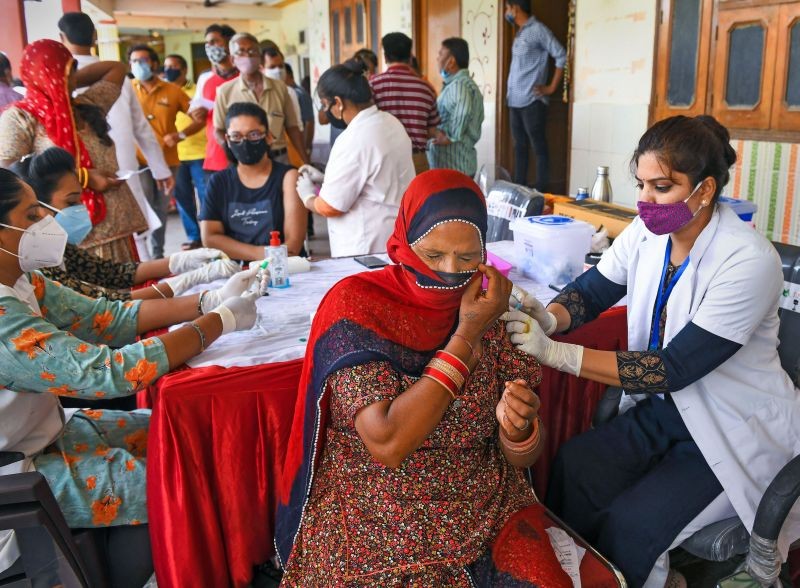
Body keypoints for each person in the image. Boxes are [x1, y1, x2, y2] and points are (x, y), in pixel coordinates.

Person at [503, 115, 800, 587]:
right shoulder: (646, 235)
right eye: (641, 184)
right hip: (664, 413)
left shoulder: (749, 261)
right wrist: (551, 316)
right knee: (574, 467)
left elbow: (674, 367)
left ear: (703, 190)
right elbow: (595, 289)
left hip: (728, 429)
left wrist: (558, 354)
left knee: (631, 524)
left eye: (662, 187)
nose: (644, 201)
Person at [277, 170, 579, 587]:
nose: (450, 271)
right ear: (403, 241)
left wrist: (520, 430)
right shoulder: (359, 308)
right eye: (433, 256)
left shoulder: (494, 305)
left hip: (484, 506)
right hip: (376, 512)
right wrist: (467, 334)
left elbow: (523, 457)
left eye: (467, 257)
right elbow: (388, 442)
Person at [0, 167, 259, 580]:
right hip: (18, 475)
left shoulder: (23, 282)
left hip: (47, 434)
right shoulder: (3, 319)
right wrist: (218, 323)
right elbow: (107, 373)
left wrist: (208, 300)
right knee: (173, 486)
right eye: (31, 216)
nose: (45, 223)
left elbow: (107, 317)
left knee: (175, 436)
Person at [13, 147, 238, 301]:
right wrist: (193, 284)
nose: (80, 208)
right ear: (36, 208)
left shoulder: (54, 249)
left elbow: (112, 273)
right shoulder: (36, 265)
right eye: (72, 202)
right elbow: (100, 304)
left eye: (80, 199)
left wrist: (181, 261)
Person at [0, 39, 147, 264]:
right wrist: (84, 177)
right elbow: (10, 173)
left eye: (71, 72)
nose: (71, 80)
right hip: (72, 231)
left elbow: (116, 68)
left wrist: (64, 80)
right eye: (65, 73)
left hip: (116, 224)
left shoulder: (85, 105)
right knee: (91, 295)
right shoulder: (21, 118)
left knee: (129, 290)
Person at [58, 12, 172, 260]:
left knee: (82, 237)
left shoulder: (56, 82)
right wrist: (160, 169)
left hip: (74, 172)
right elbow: (142, 129)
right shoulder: (118, 77)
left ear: (61, 38)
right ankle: (142, 281)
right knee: (133, 234)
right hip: (121, 165)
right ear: (95, 37)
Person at [296, 61, 414, 258]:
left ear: (338, 102)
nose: (326, 111)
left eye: (325, 105)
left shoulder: (353, 138)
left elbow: (331, 206)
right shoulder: (391, 122)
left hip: (365, 245)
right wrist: (326, 179)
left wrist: (307, 196)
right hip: (395, 234)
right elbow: (369, 178)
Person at [200, 103, 305, 261]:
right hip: (236, 272)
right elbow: (210, 238)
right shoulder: (219, 182)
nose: (244, 142)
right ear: (227, 140)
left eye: (253, 134)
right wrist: (268, 254)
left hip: (283, 271)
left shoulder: (288, 177)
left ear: (269, 137)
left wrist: (261, 257)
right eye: (236, 136)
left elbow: (292, 247)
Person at [129, 45, 205, 259]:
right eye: (134, 61)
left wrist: (180, 135)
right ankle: (143, 258)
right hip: (138, 162)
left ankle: (158, 254)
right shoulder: (127, 89)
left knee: (161, 209)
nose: (138, 65)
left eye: (143, 60)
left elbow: (199, 117)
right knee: (143, 209)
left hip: (168, 161)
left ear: (154, 63)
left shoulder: (172, 91)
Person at [213, 33, 308, 167]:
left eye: (252, 51)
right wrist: (234, 154)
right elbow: (218, 130)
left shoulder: (279, 87)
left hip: (278, 159)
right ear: (233, 59)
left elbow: (292, 127)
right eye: (241, 52)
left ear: (260, 56)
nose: (248, 56)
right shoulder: (225, 91)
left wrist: (305, 160)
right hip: (244, 162)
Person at [504, 0, 566, 192]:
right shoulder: (520, 31)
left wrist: (550, 88)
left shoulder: (537, 29)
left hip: (532, 100)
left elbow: (561, 54)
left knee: (538, 147)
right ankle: (519, 189)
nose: (507, 12)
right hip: (514, 100)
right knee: (519, 146)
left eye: (507, 7)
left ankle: (541, 191)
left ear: (515, 8)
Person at [371, 32, 441, 175]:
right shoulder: (426, 88)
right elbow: (432, 130)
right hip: (416, 161)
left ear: (385, 57)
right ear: (410, 56)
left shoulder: (373, 85)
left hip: (383, 160)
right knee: (417, 197)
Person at [164, 53, 208, 250]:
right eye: (166, 66)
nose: (168, 70)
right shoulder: (165, 93)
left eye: (173, 66)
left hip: (200, 152)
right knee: (182, 198)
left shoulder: (196, 92)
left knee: (206, 197)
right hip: (176, 156)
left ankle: (210, 235)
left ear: (184, 70)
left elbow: (201, 119)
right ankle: (194, 237)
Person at [190, 24, 240, 181]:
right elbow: (195, 113)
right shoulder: (205, 79)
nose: (209, 47)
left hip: (243, 156)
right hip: (214, 157)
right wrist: (197, 114)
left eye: (214, 41)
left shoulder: (247, 76)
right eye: (207, 43)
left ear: (229, 43)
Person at [428, 38, 485, 177]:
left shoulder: (459, 85)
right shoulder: (463, 84)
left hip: (454, 166)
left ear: (451, 61)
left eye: (441, 54)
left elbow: (463, 110)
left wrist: (449, 137)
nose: (437, 58)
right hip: (459, 165)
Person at [261, 46, 307, 167]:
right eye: (272, 67)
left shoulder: (289, 92)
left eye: (281, 66)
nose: (278, 70)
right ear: (262, 68)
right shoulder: (255, 92)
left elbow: (296, 127)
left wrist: (305, 159)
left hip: (284, 153)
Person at [284, 63, 314, 156]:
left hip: (300, 147)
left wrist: (306, 148)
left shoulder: (300, 94)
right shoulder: (283, 93)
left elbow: (309, 123)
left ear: (288, 75)